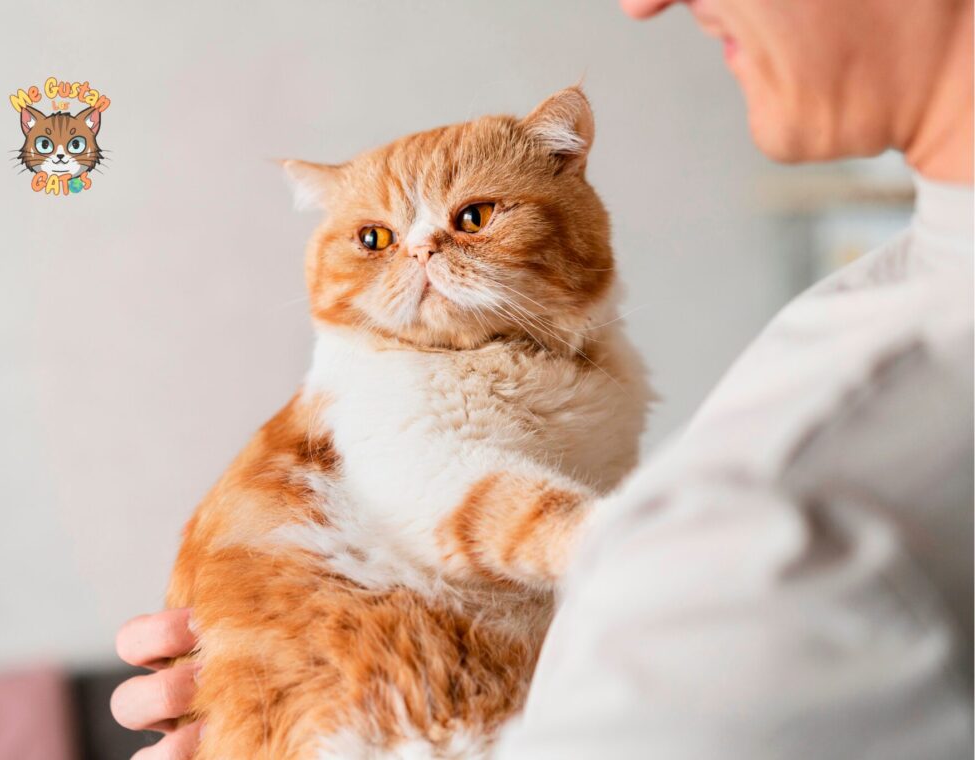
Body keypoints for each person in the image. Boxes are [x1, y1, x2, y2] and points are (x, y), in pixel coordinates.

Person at [111, 1, 974, 757]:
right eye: (374, 240)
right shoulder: (873, 304)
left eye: (473, 218)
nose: (642, 3)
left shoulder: (794, 508)